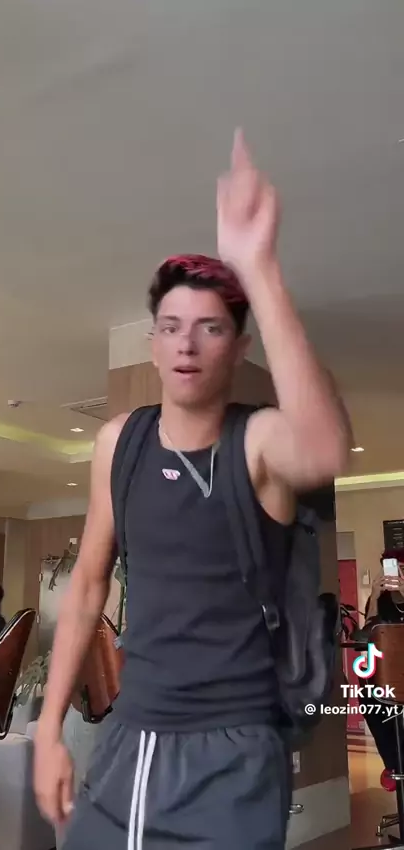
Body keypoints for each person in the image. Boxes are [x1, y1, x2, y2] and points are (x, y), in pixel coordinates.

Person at [33, 129, 351, 849]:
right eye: (171, 327)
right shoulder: (120, 441)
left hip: (237, 751)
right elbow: (87, 586)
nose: (185, 343)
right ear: (153, 343)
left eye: (210, 328)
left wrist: (258, 269)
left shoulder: (257, 443)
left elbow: (324, 447)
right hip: (133, 738)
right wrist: (48, 729)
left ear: (238, 348)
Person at [358, 551, 404, 791]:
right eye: (393, 568)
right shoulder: (381, 599)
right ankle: (394, 763)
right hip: (388, 670)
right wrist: (375, 596)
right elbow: (369, 630)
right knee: (367, 695)